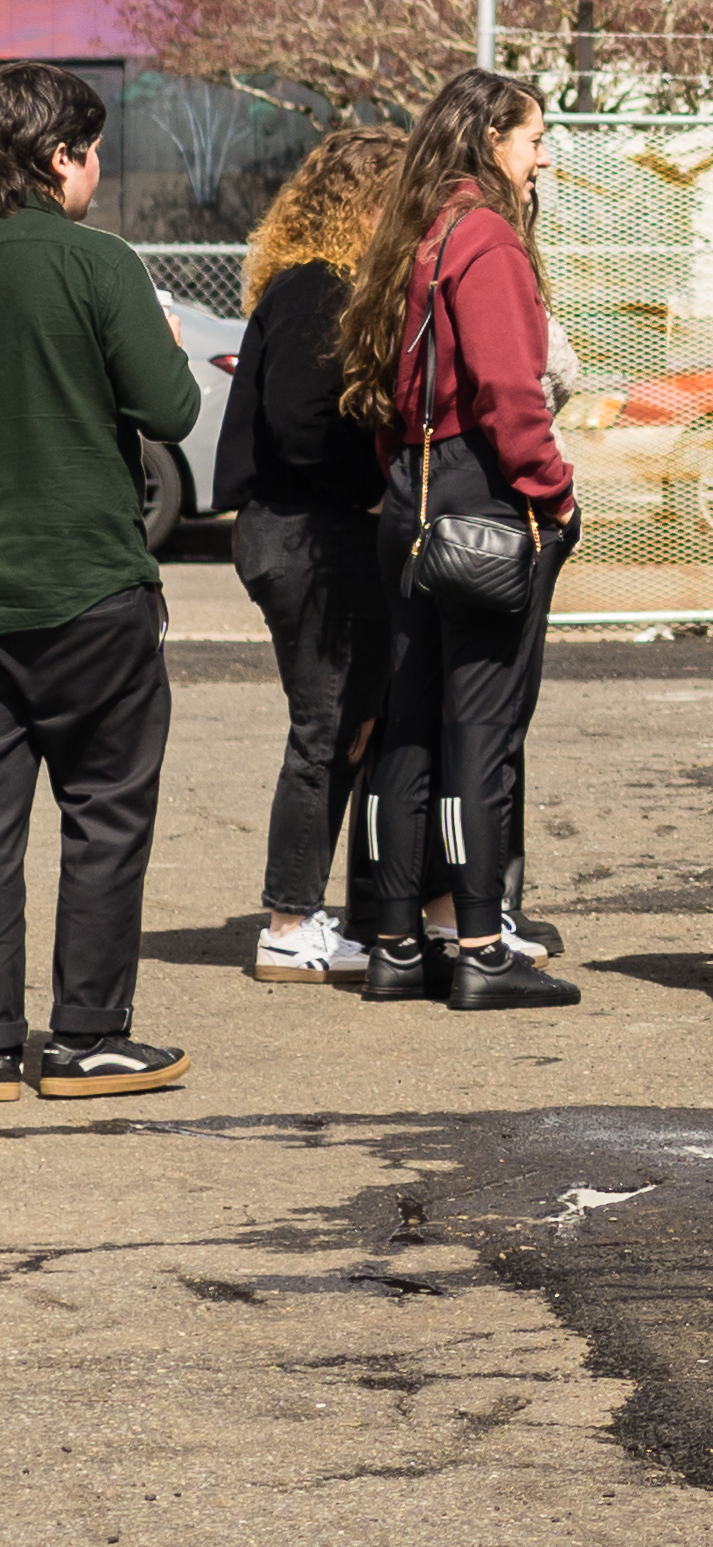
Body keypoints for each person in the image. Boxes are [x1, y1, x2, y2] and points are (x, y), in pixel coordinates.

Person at [343, 72, 582, 1009]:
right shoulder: (485, 237)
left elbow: (380, 386)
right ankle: (482, 947)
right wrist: (553, 495)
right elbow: (508, 391)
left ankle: (395, 944)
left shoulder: (417, 232)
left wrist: (405, 480)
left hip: (411, 494)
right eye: (532, 138)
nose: (542, 157)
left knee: (408, 728)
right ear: (490, 138)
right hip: (481, 493)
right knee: (479, 730)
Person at [0, 64, 202, 1095]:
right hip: (89, 585)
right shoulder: (98, 262)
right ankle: (85, 1035)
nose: (96, 173)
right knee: (105, 811)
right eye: (91, 155)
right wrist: (164, 341)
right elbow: (171, 410)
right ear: (56, 159)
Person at [209, 126, 401, 976]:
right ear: (363, 203)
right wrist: (363, 487)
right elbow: (298, 426)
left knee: (348, 723)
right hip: (305, 534)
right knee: (325, 727)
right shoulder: (317, 289)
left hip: (303, 531)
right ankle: (288, 925)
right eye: (398, 199)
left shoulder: (313, 285)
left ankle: (307, 914)